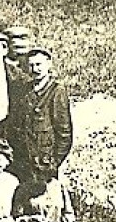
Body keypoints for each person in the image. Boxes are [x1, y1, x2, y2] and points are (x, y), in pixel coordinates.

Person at [11, 45, 74, 186]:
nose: (35, 69)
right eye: (31, 65)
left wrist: (54, 161)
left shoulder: (57, 91)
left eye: (39, 64)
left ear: (48, 64)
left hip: (44, 163)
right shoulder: (24, 90)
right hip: (25, 160)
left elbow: (64, 133)